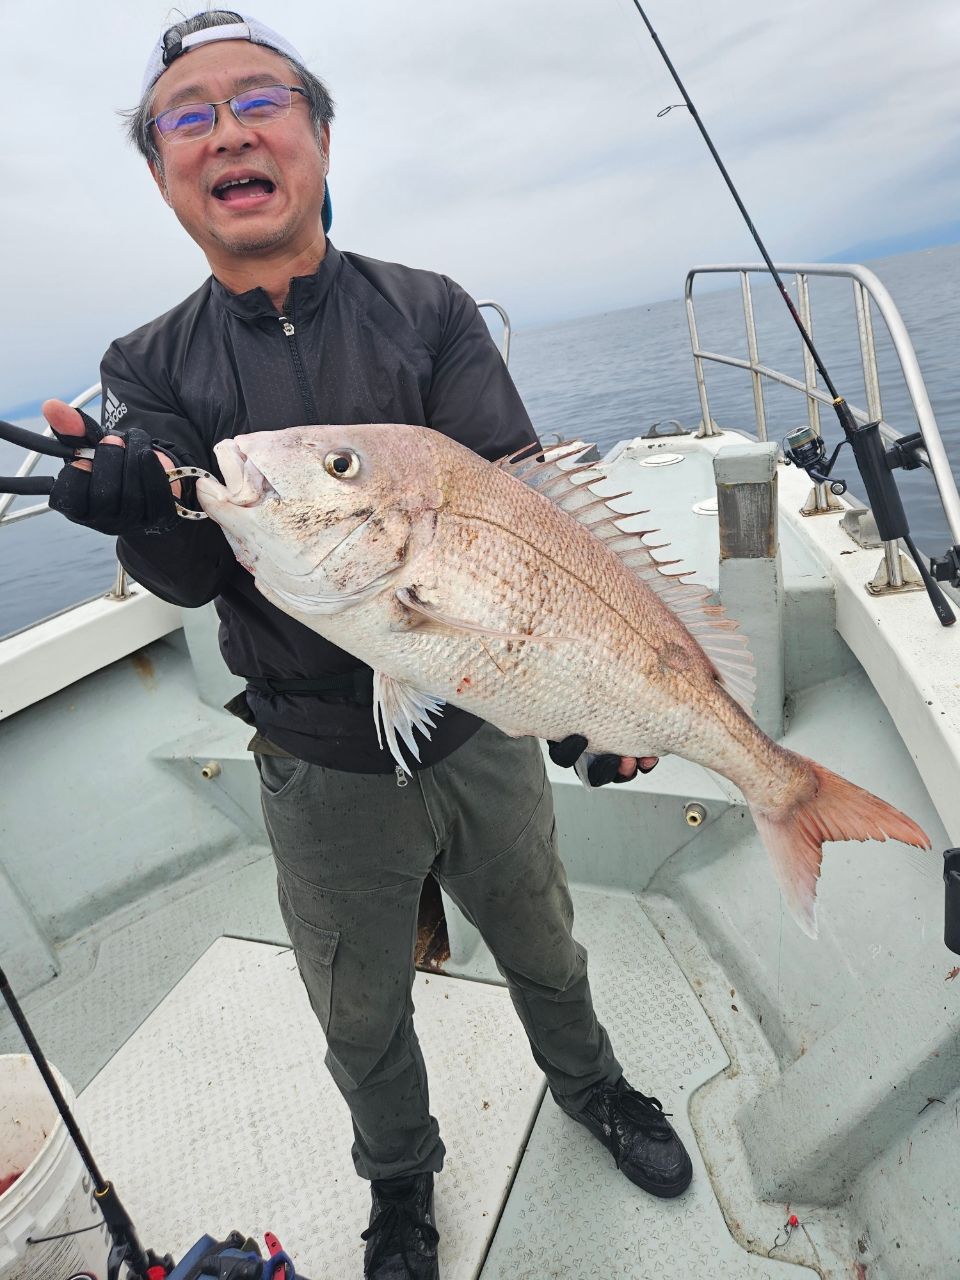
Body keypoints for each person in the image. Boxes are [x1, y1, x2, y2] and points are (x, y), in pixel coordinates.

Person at [42, 12, 692, 1278]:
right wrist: (131, 508)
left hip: (477, 726)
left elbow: (520, 532)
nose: (226, 128)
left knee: (545, 941)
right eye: (188, 116)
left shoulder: (429, 311)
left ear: (320, 136)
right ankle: (401, 1188)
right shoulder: (149, 363)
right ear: (167, 174)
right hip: (315, 756)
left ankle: (596, 1085)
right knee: (359, 1006)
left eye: (259, 100)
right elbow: (187, 568)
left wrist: (578, 713)